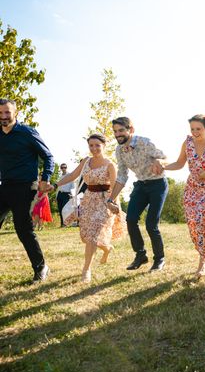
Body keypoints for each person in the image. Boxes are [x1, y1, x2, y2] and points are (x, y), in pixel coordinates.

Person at [55, 134, 124, 282]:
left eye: (97, 145)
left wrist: (114, 204)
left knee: (93, 235)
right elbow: (73, 175)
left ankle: (86, 270)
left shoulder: (110, 165)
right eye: (91, 145)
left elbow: (115, 186)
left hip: (105, 202)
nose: (94, 148)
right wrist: (56, 185)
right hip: (88, 200)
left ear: (104, 145)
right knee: (87, 237)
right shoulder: (86, 161)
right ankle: (107, 249)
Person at [0, 98, 53, 282]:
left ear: (15, 113)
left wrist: (45, 179)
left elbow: (47, 156)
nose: (3, 116)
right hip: (5, 185)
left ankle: (41, 267)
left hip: (25, 186)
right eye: (0, 113)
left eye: (7, 112)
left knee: (23, 229)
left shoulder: (27, 133)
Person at [106, 117, 168, 271]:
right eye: (115, 131)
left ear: (130, 130)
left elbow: (165, 157)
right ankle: (140, 255)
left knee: (151, 224)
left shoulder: (144, 142)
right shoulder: (119, 150)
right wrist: (111, 198)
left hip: (157, 184)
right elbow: (122, 176)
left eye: (121, 130)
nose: (117, 134)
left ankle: (159, 259)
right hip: (141, 185)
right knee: (131, 219)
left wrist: (160, 162)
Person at [162, 114, 205, 277]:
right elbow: (180, 163)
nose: (195, 132)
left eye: (198, 129)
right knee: (193, 222)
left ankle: (204, 260)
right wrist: (164, 166)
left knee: (204, 221)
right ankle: (204, 254)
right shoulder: (187, 143)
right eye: (192, 129)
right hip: (192, 188)